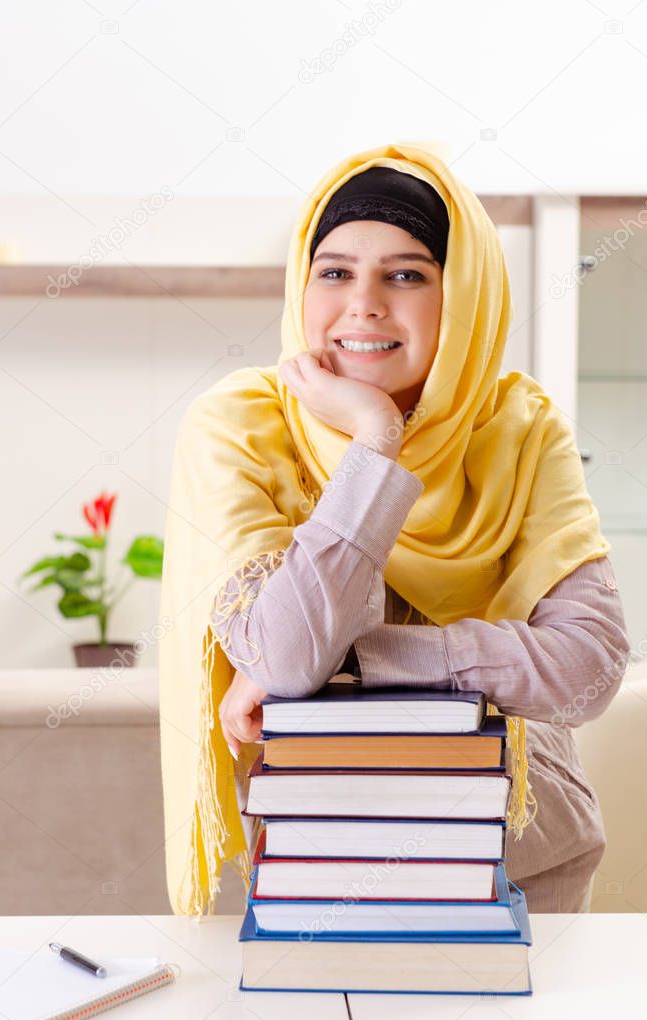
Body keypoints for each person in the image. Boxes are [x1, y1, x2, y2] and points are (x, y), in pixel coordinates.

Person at [158, 141, 631, 919]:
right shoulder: (239, 425)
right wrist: (375, 443)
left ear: (464, 295)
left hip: (525, 862)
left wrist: (360, 657)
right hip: (315, 854)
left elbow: (588, 668)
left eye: (407, 274)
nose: (364, 303)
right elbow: (285, 654)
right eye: (335, 271)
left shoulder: (521, 427)